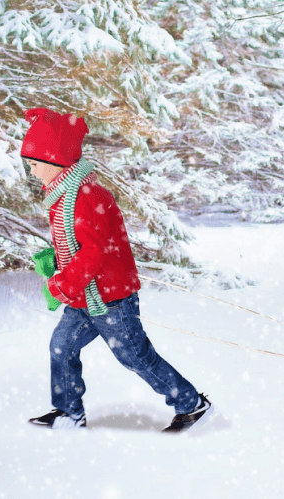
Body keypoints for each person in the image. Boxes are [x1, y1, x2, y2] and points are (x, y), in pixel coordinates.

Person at [21, 107, 212, 432]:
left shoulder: (88, 197)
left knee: (135, 357)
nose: (33, 173)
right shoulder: (63, 196)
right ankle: (69, 412)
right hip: (85, 297)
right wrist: (54, 260)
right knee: (61, 346)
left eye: (36, 165)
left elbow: (94, 255)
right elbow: (78, 247)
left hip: (110, 297)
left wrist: (59, 285)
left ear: (55, 161)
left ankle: (192, 404)